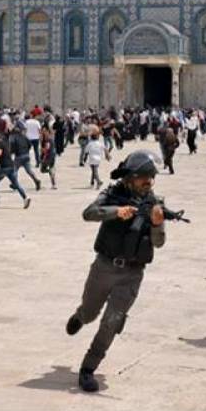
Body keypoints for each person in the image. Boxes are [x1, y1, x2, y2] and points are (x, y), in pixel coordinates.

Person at [65, 151, 168, 392]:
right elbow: (88, 213)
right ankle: (80, 316)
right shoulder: (112, 194)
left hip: (132, 274)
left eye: (151, 177)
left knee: (112, 321)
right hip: (104, 267)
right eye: (144, 177)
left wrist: (156, 224)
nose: (149, 182)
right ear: (130, 178)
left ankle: (89, 368)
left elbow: (159, 242)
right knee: (91, 313)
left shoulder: (155, 203)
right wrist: (116, 212)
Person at [0, 132, 30, 209]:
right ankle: (26, 198)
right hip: (11, 166)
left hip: (4, 167)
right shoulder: (4, 143)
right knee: (16, 184)